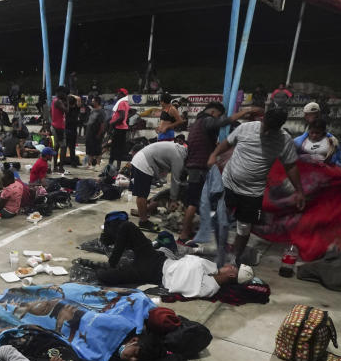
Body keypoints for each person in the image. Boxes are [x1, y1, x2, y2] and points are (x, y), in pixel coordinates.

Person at [207, 107, 303, 266]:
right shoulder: (246, 128)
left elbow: (290, 166)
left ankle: (234, 259)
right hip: (229, 183)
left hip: (253, 192)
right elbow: (227, 143)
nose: (266, 133)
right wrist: (213, 155)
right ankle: (221, 250)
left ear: (279, 127)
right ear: (263, 120)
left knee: (244, 227)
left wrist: (299, 191)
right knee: (220, 217)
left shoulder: (284, 140)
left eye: (271, 130)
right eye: (266, 127)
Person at [88, 219, 241, 297]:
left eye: (232, 267)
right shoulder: (211, 268)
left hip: (152, 272)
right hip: (157, 258)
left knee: (103, 276)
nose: (228, 265)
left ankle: (112, 268)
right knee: (127, 226)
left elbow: (183, 289)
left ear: (232, 274)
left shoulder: (210, 287)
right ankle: (113, 262)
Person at [178, 102, 261, 242]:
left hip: (193, 165)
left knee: (195, 201)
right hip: (199, 166)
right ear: (213, 112)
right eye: (218, 115)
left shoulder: (197, 124)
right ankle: (184, 235)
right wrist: (246, 111)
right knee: (194, 202)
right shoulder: (207, 120)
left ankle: (188, 231)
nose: (218, 118)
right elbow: (224, 122)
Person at [129, 141, 188, 232]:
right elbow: (175, 180)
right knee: (142, 194)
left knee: (144, 193)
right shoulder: (179, 157)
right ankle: (143, 222)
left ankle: (143, 215)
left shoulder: (180, 150)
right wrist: (173, 200)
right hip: (143, 163)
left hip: (143, 160)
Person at [109, 88, 131, 169]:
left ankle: (109, 166)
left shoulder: (121, 103)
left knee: (114, 148)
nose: (117, 95)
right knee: (119, 149)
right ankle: (117, 167)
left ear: (122, 94)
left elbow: (121, 117)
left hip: (119, 128)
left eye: (118, 93)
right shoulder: (126, 103)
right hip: (123, 128)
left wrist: (112, 123)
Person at [50, 87, 69, 172]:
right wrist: (67, 101)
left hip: (54, 125)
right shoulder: (59, 101)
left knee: (56, 146)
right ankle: (61, 167)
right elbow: (66, 110)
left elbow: (51, 111)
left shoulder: (54, 100)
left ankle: (54, 167)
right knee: (63, 147)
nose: (65, 95)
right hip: (59, 127)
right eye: (64, 93)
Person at [84, 97, 105, 168]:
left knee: (97, 149)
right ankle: (89, 164)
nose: (92, 102)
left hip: (96, 134)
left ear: (97, 102)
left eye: (93, 101)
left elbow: (102, 125)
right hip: (89, 133)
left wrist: (99, 134)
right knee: (89, 149)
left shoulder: (101, 112)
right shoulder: (92, 110)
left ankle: (98, 164)